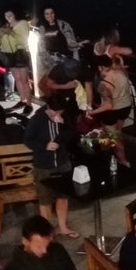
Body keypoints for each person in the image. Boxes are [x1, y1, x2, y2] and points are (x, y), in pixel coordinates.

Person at [23, 97, 80, 239]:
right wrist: (44, 146)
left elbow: (70, 136)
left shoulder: (63, 117)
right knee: (45, 199)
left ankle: (63, 227)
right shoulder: (36, 120)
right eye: (54, 112)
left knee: (63, 196)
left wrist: (63, 126)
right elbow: (28, 140)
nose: (57, 115)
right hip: (43, 165)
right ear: (48, 108)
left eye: (60, 112)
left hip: (62, 162)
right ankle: (46, 232)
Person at [87, 54, 132, 165]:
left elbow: (109, 105)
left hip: (112, 112)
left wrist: (92, 112)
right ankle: (107, 152)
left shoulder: (104, 84)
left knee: (114, 139)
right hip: (126, 106)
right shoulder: (121, 71)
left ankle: (123, 161)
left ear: (100, 67)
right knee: (117, 133)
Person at [0, 8, 33, 115]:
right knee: (17, 79)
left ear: (15, 15)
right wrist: (1, 34)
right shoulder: (4, 26)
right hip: (9, 54)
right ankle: (23, 100)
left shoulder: (22, 24)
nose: (8, 18)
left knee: (24, 80)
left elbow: (23, 39)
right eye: (6, 16)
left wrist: (11, 32)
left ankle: (29, 104)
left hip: (20, 52)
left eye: (10, 15)